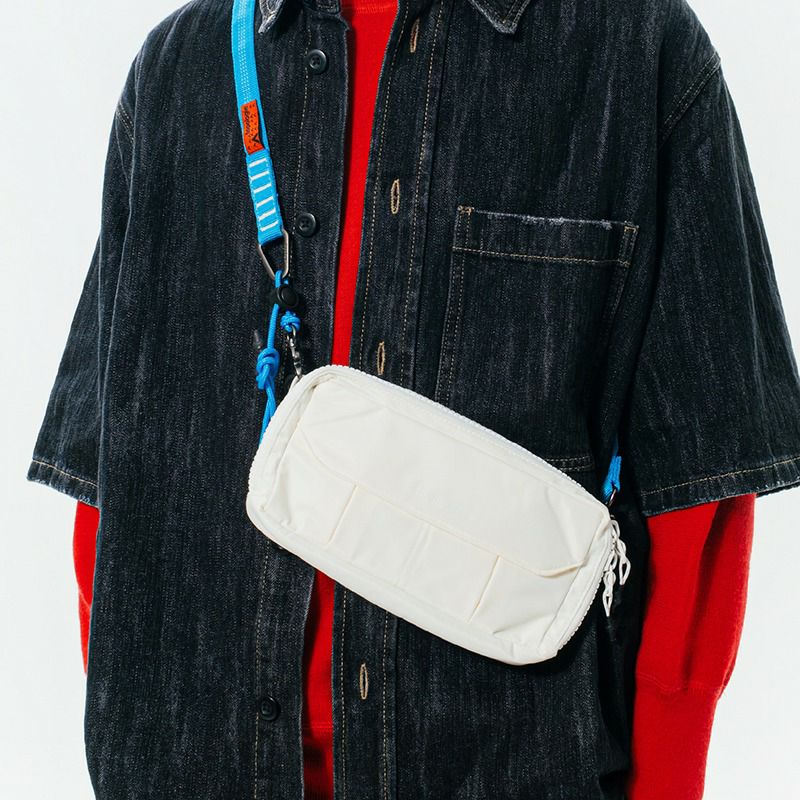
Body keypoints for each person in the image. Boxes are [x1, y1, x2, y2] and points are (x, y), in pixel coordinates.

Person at [27, 0, 800, 798]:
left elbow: (701, 487)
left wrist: (666, 773)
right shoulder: (176, 69)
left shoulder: (635, 52)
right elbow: (111, 496)